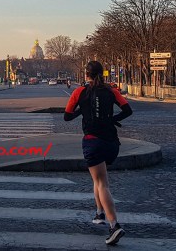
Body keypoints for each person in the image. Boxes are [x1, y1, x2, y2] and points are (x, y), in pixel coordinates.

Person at [64, 60, 132, 245]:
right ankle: (99, 213)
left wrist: (82, 110)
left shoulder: (79, 92)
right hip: (112, 143)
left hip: (93, 142)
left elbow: (67, 116)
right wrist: (112, 119)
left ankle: (114, 226)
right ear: (102, 73)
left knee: (102, 184)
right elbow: (128, 110)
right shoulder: (111, 91)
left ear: (86, 75)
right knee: (99, 178)